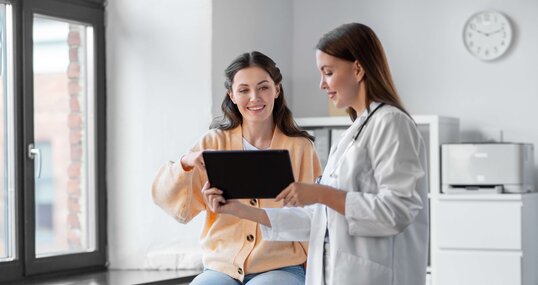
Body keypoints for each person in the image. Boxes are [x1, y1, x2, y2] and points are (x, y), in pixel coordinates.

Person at [203, 23, 429, 285]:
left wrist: (321, 194)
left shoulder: (391, 123)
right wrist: (241, 210)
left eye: (328, 72)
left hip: (376, 275)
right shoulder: (354, 133)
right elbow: (317, 220)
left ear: (357, 69)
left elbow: (398, 211)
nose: (322, 84)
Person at [152, 51, 322, 285]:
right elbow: (168, 199)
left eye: (263, 87)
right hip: (221, 267)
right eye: (244, 90)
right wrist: (186, 162)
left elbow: (313, 216)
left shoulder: (301, 148)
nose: (255, 98)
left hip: (280, 266)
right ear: (231, 95)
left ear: (277, 90)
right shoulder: (213, 143)